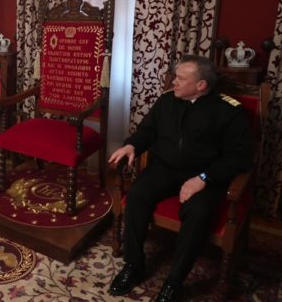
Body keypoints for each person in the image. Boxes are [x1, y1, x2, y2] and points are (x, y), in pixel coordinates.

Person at [108, 55, 254, 302]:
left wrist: (204, 178)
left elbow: (239, 157)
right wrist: (132, 145)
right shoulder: (166, 101)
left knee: (197, 213)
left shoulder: (229, 111)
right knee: (137, 196)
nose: (173, 82)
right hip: (165, 168)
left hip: (205, 176)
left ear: (201, 85)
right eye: (175, 76)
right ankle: (134, 264)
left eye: (180, 78)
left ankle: (174, 282)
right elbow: (147, 130)